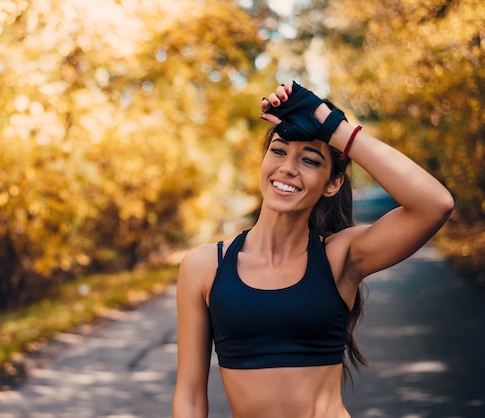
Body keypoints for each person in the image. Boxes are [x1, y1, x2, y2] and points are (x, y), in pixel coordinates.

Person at [172, 80, 454, 418]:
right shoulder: (205, 266)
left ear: (333, 183)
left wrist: (333, 126)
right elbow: (189, 397)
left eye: (310, 160)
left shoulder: (340, 257)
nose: (288, 168)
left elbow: (435, 205)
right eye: (278, 151)